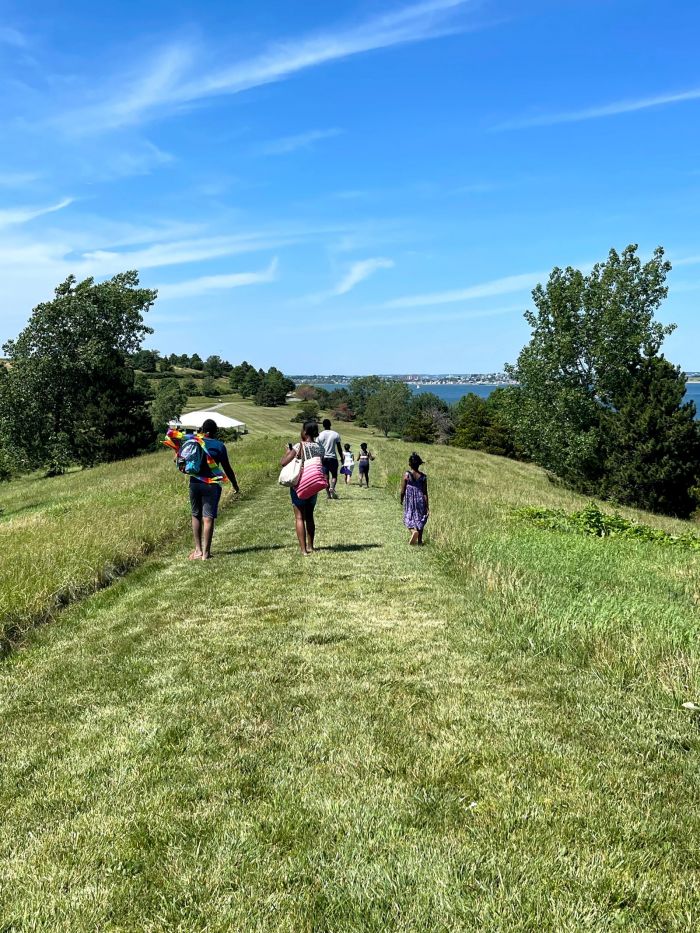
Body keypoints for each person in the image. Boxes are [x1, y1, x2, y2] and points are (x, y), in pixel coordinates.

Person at [188, 418, 239, 560]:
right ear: (213, 432)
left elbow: (179, 458)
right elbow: (227, 468)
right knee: (208, 518)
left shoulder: (194, 441)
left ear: (203, 430)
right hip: (211, 484)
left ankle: (198, 551)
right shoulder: (219, 446)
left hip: (194, 482)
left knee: (196, 515)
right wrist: (234, 484)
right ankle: (206, 553)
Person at [280, 421, 323, 555]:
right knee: (310, 516)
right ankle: (311, 546)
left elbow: (283, 462)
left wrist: (288, 452)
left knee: (299, 517)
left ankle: (303, 550)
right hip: (313, 483)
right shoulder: (320, 447)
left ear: (304, 432)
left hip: (299, 484)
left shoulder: (299, 446)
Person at [400, 452, 429, 545]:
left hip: (410, 500)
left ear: (410, 464)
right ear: (419, 464)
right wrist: (427, 506)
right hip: (420, 499)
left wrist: (401, 499)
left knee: (408, 516)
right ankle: (419, 541)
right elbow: (425, 492)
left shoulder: (407, 475)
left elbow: (403, 490)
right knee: (420, 518)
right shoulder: (423, 477)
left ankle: (413, 531)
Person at [317, 418, 343, 499]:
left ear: (323, 425)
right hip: (333, 458)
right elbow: (339, 448)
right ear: (330, 425)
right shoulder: (335, 434)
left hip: (323, 458)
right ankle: (332, 487)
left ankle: (328, 495)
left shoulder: (319, 435)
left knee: (326, 477)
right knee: (334, 475)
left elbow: (317, 448)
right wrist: (342, 457)